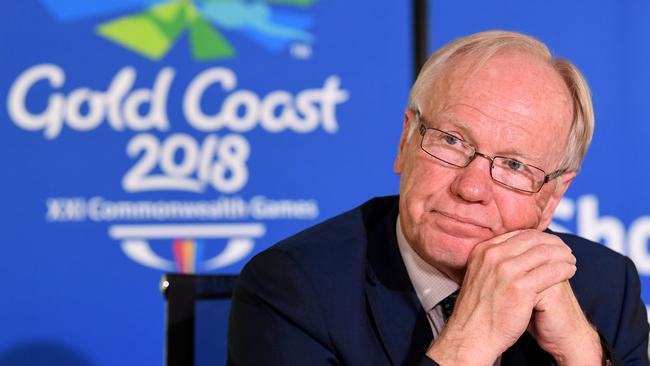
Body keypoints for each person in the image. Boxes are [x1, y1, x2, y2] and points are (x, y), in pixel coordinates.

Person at [227, 30, 649, 365]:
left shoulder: (603, 285)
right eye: (451, 141)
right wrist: (469, 345)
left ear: (552, 196)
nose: (472, 188)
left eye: (514, 166)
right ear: (405, 141)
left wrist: (581, 355)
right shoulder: (294, 290)